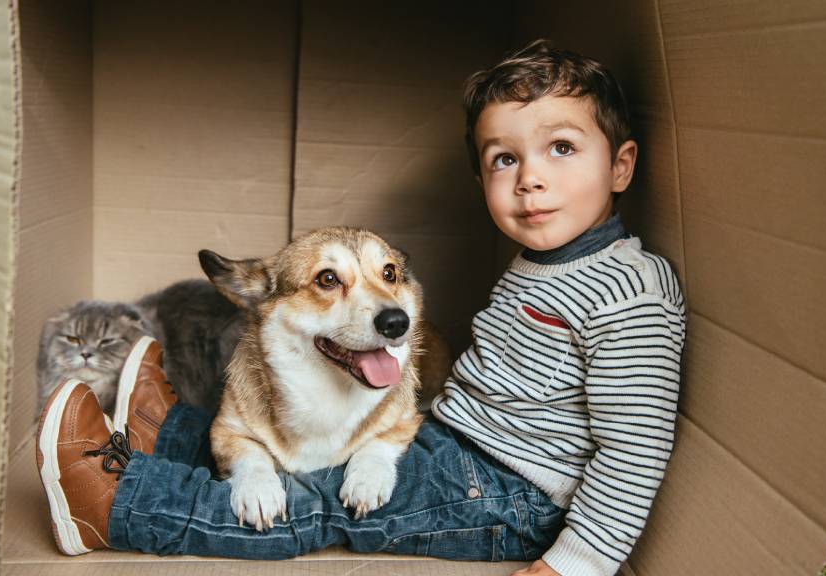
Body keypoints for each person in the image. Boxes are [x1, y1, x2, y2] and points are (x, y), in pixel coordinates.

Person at [36, 39, 686, 576]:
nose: (531, 178)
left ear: (622, 166)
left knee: (316, 503)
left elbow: (636, 449)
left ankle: (123, 507)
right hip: (454, 446)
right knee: (315, 450)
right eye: (504, 158)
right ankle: (164, 429)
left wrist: (577, 563)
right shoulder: (542, 264)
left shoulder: (629, 291)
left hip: (512, 497)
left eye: (561, 149)